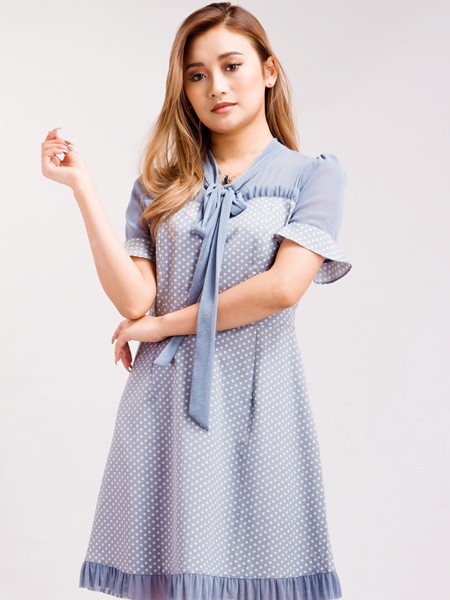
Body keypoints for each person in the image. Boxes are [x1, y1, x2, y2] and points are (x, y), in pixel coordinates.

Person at [41, 3, 351, 599]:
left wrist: (164, 327)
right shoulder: (160, 184)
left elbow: (282, 289)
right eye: (197, 75)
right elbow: (135, 299)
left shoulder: (313, 177)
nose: (216, 87)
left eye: (232, 66)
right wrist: (83, 189)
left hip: (260, 402)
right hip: (162, 402)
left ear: (268, 70)